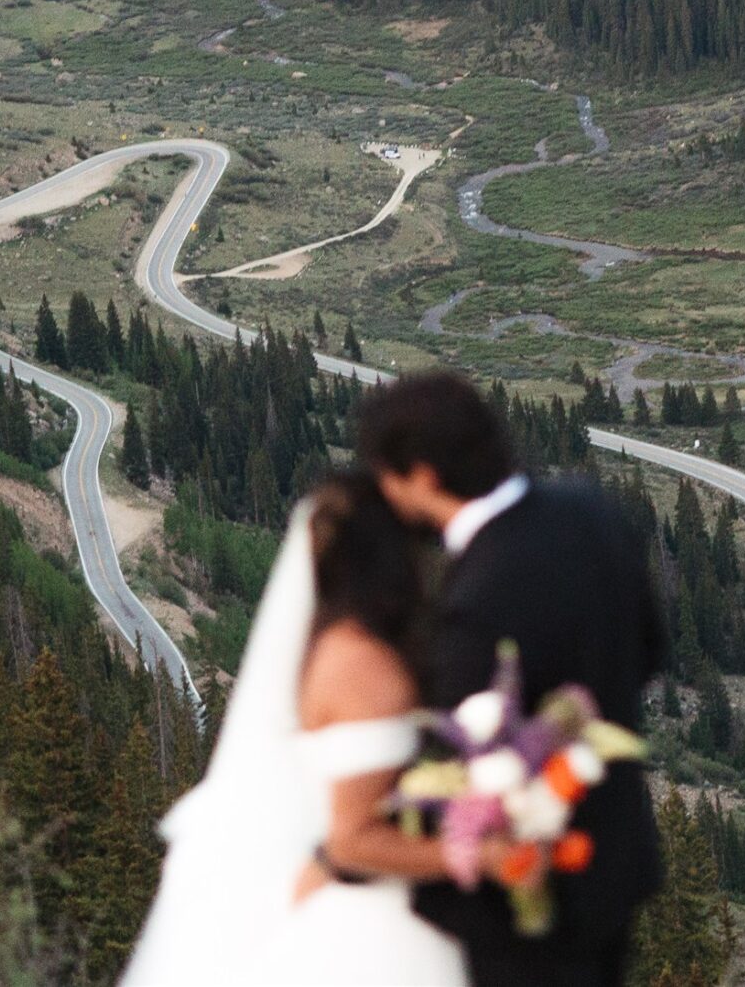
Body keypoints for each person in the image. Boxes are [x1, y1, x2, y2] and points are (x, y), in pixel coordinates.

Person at [357, 371, 667, 987]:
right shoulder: (589, 512)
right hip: (617, 862)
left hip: (528, 904)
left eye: (387, 479)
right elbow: (651, 649)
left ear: (422, 476)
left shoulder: (476, 602)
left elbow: (461, 768)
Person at [123, 470, 471, 986]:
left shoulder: (317, 652)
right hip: (355, 906)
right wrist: (473, 853)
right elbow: (352, 839)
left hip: (310, 873)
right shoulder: (362, 667)